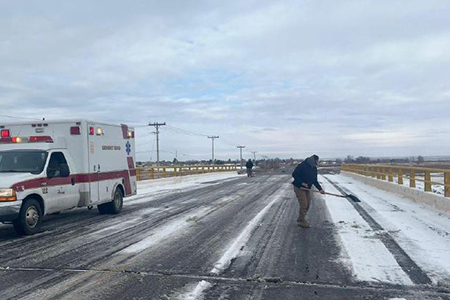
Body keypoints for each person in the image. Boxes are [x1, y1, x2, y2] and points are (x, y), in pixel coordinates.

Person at [292, 155, 325, 228]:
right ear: (314, 160)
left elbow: (314, 180)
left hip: (307, 189)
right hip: (299, 187)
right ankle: (301, 221)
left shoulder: (314, 168)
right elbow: (294, 174)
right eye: (317, 161)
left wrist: (320, 189)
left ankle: (301, 218)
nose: (318, 162)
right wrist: (302, 183)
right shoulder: (302, 165)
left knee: (308, 204)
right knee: (304, 204)